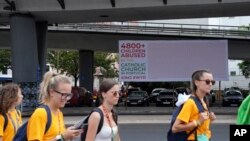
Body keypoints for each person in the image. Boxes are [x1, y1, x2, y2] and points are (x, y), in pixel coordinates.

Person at [27, 72, 82, 141]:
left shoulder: (59, 112)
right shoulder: (40, 113)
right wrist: (62, 137)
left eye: (68, 95)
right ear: (51, 92)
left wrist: (68, 135)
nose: (66, 99)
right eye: (63, 94)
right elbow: (61, 137)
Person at [172, 70, 216, 141]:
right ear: (196, 82)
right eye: (207, 81)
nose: (210, 84)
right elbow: (175, 128)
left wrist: (210, 119)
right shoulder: (190, 103)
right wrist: (198, 122)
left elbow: (201, 126)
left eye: (212, 82)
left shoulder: (203, 100)